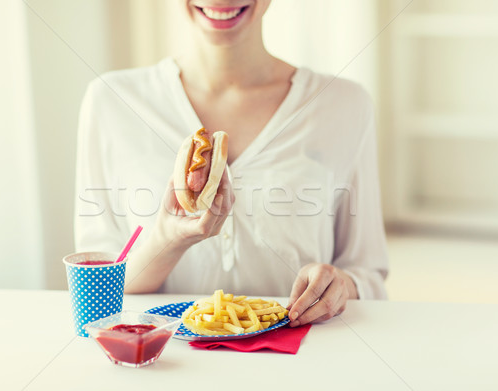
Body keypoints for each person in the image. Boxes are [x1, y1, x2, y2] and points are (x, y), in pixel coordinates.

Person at [75, 0, 389, 327]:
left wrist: (339, 285)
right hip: (164, 365)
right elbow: (97, 290)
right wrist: (167, 240)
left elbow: (368, 275)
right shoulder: (111, 101)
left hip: (301, 360)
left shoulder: (343, 104)